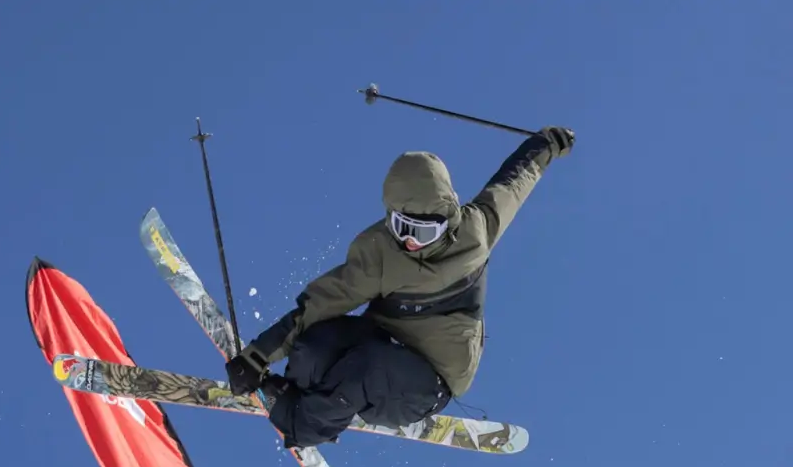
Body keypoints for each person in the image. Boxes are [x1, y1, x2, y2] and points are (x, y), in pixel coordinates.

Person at [225, 126, 575, 448]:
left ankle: (302, 426)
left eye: (422, 232)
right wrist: (257, 357)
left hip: (430, 378)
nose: (410, 241)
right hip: (384, 340)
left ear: (447, 220)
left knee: (367, 368)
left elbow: (514, 182)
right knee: (314, 345)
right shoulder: (380, 253)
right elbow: (321, 302)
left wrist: (544, 144)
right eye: (401, 226)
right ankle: (304, 395)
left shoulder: (476, 232)